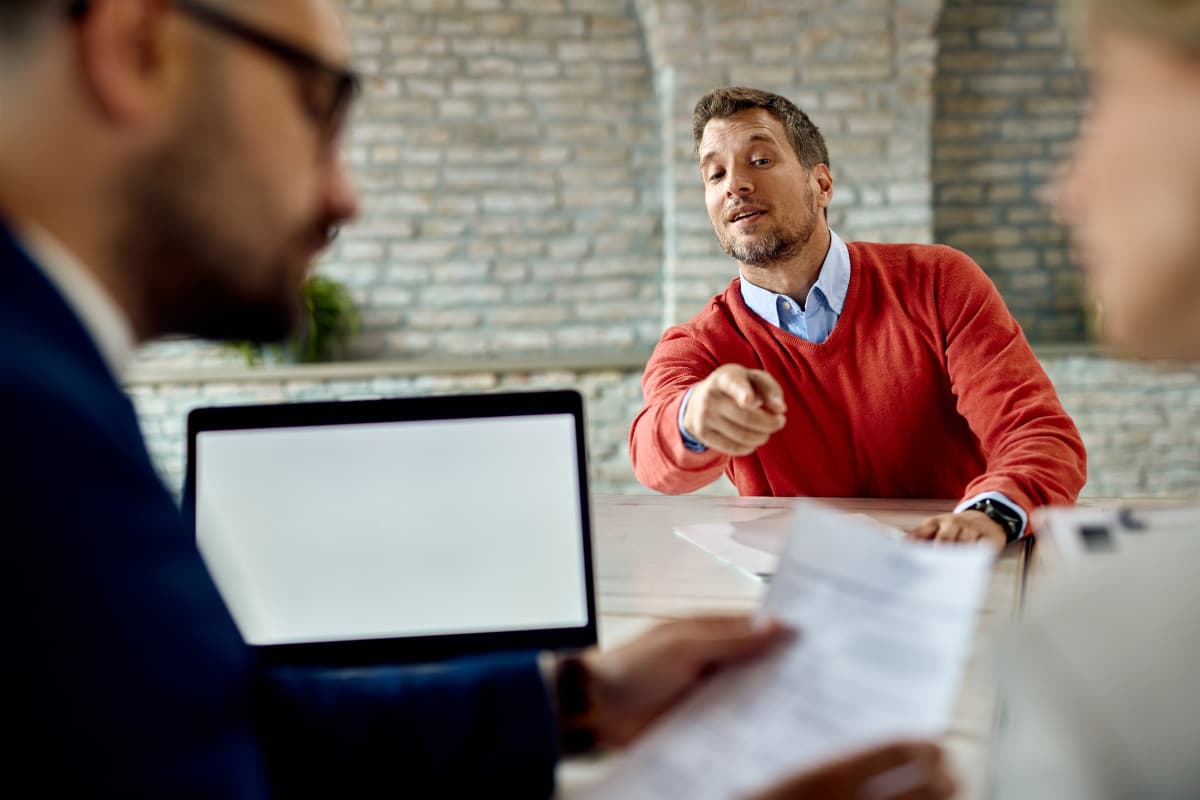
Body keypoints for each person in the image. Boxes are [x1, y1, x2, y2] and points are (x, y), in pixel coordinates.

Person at [0, 1, 955, 797]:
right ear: (137, 50)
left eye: (758, 162)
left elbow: (223, 722)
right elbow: (661, 437)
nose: (347, 199)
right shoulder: (30, 418)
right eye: (319, 109)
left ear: (820, 184)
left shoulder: (50, 374)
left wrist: (576, 699)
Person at [630, 86, 1088, 551]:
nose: (735, 185)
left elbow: (1038, 433)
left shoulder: (939, 282)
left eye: (760, 161)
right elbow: (651, 455)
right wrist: (692, 420)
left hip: (961, 564)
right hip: (805, 586)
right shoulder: (697, 347)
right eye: (715, 174)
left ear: (821, 185)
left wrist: (989, 515)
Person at [993, 0, 1200, 796]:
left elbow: (1038, 433)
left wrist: (994, 505)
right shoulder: (707, 330)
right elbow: (658, 433)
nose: (1067, 189)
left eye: (1101, 94)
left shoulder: (1116, 661)